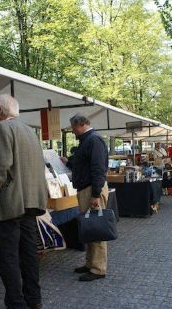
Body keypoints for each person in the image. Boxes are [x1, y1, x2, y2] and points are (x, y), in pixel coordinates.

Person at [0, 94, 47, 309]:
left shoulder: (2, 128)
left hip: (11, 203)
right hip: (31, 201)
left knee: (9, 257)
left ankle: (16, 303)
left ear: (0, 111)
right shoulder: (30, 131)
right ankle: (34, 299)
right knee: (29, 253)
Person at [63, 113, 109, 282]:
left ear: (81, 124)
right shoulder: (88, 140)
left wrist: (96, 194)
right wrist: (68, 161)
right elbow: (83, 163)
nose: (73, 131)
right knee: (89, 227)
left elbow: (98, 168)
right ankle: (90, 263)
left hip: (92, 189)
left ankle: (98, 269)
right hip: (88, 188)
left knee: (96, 228)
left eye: (74, 127)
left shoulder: (93, 140)